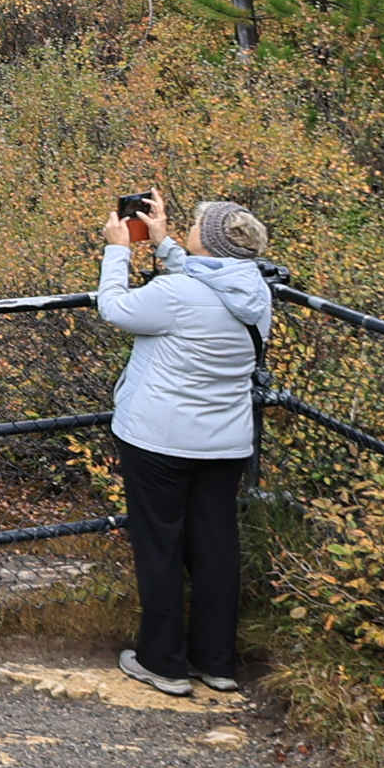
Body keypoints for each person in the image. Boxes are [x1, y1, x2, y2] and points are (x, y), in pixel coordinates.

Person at [92, 190, 274, 697]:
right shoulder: (256, 294)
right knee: (215, 549)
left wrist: (117, 250)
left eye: (197, 225)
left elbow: (115, 308)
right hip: (225, 443)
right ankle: (217, 662)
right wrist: (165, 243)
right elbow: (211, 281)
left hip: (159, 440)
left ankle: (164, 663)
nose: (189, 227)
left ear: (209, 242)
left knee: (160, 548)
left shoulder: (174, 295)